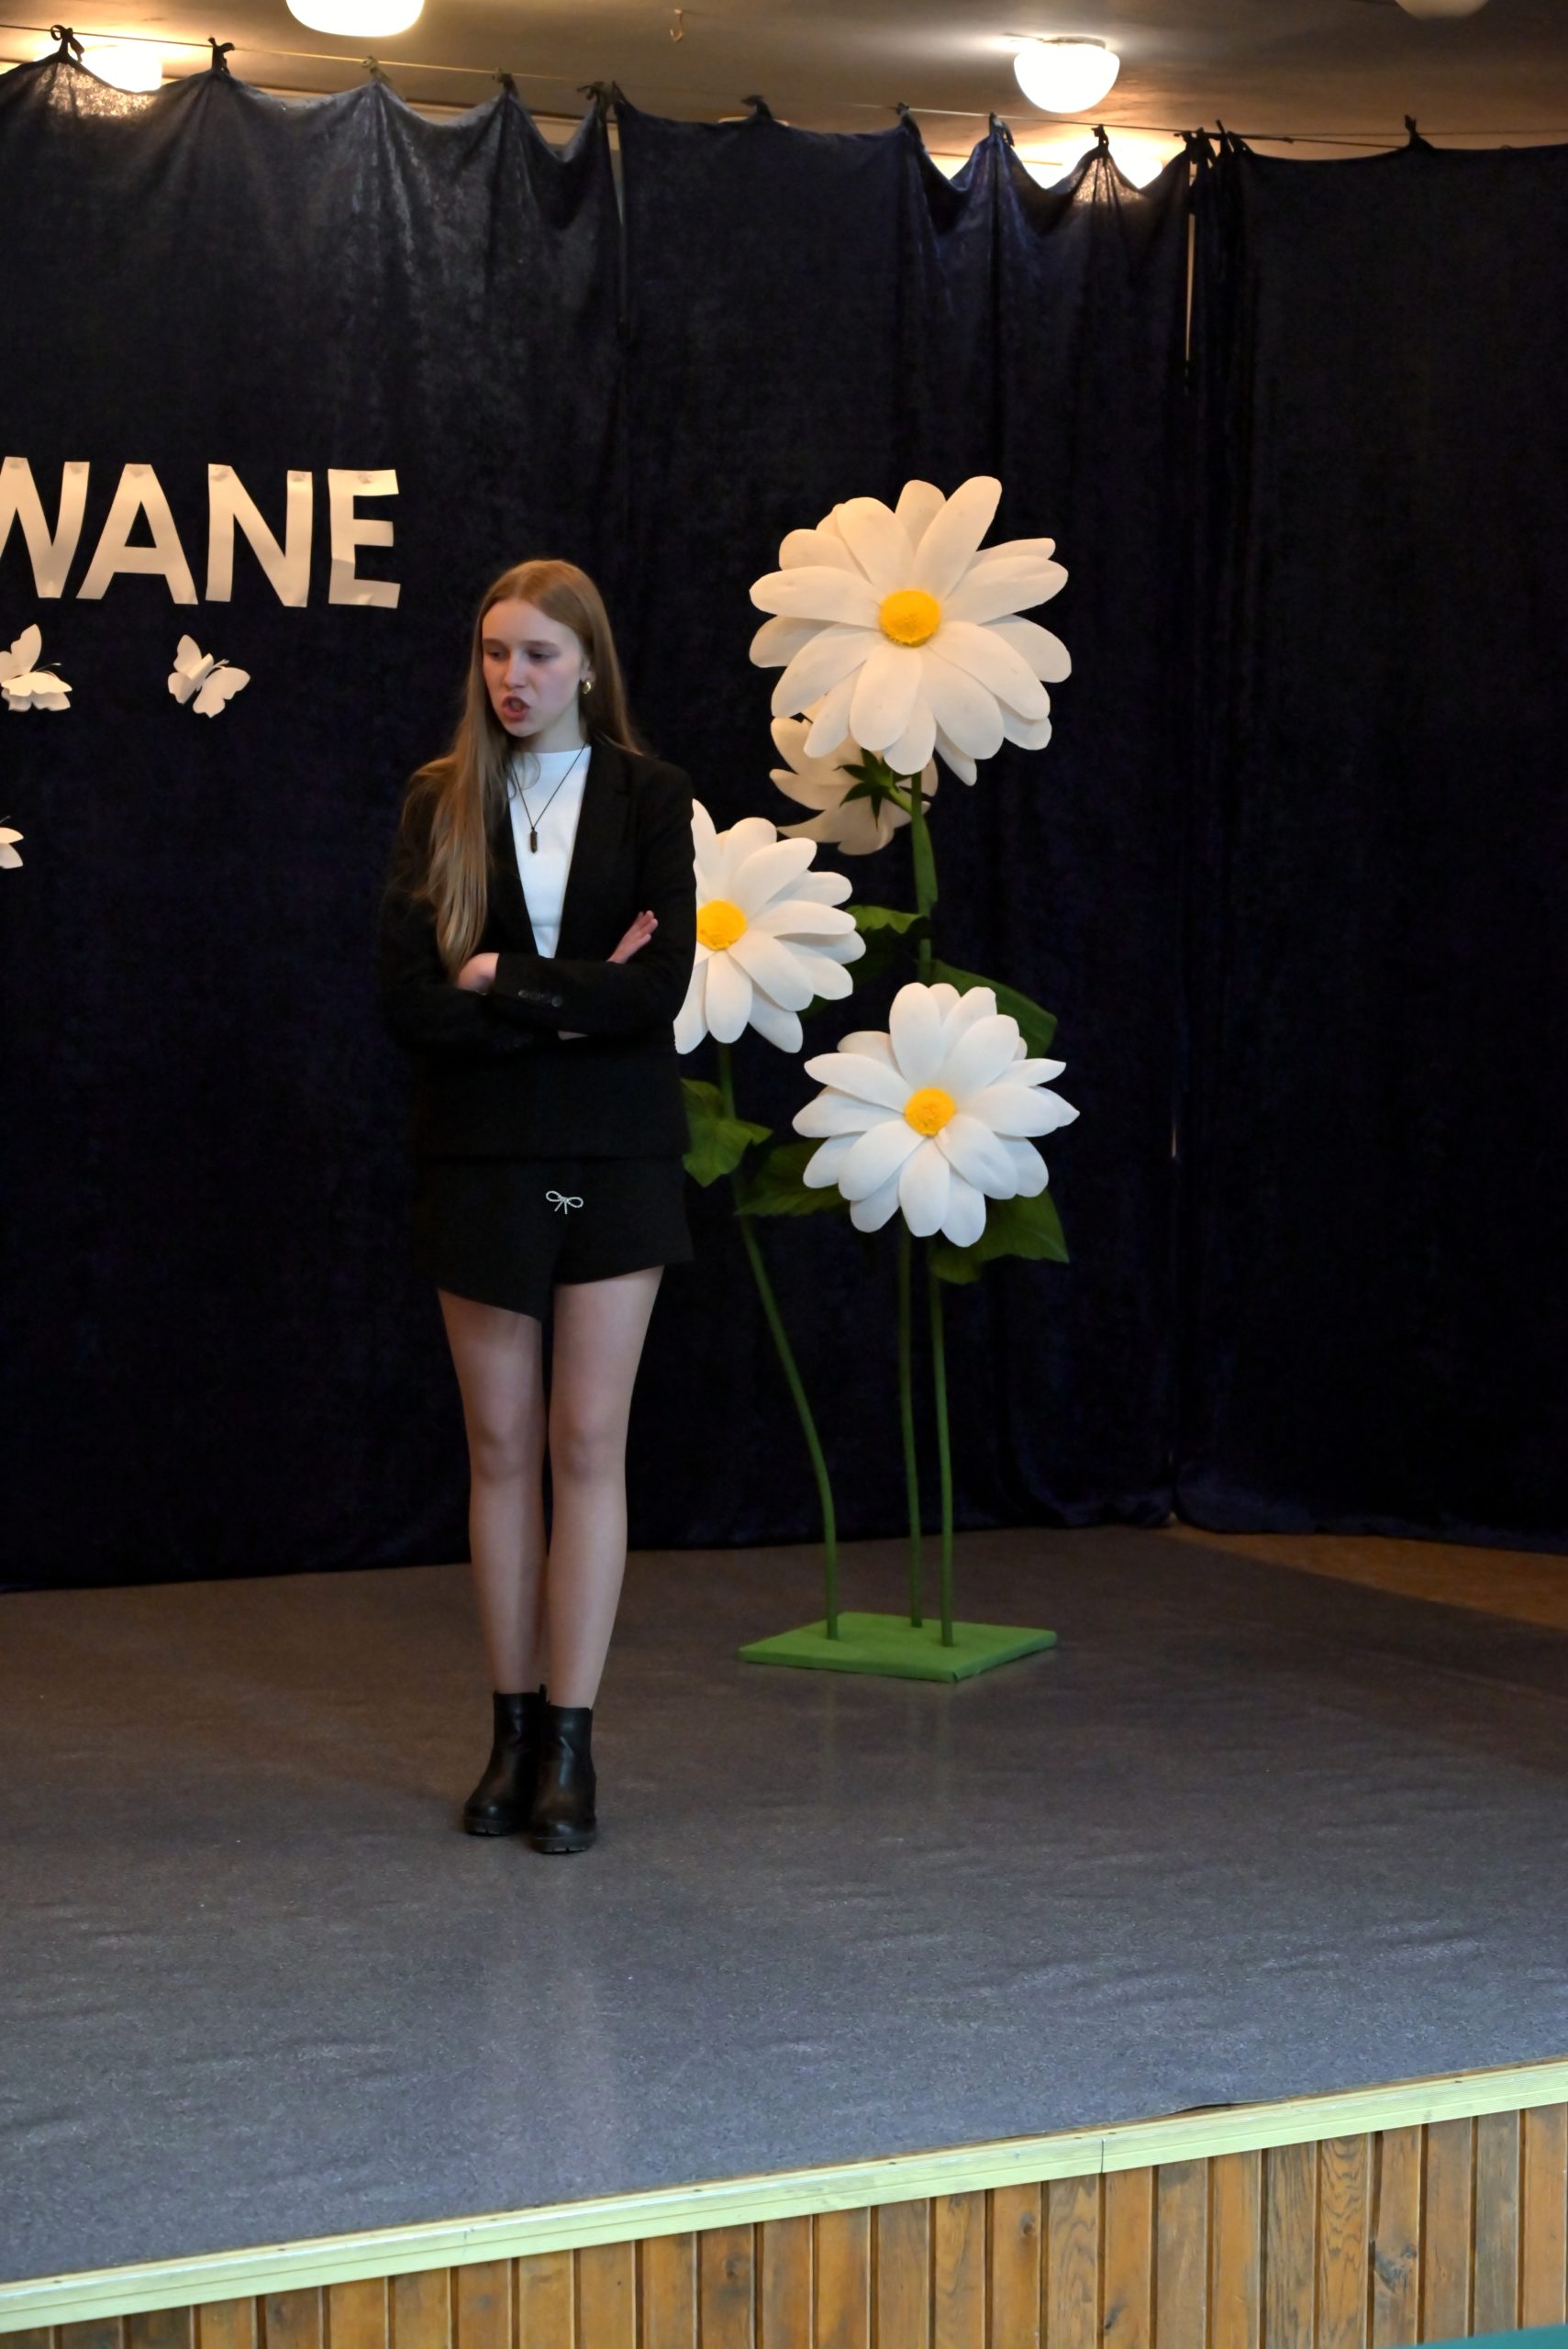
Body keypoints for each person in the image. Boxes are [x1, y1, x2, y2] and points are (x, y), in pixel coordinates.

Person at [378, 559, 696, 1854]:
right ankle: (510, 1735)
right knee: (501, 1448)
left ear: (588, 665)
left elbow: (655, 992)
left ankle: (571, 1743)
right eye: (497, 652)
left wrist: (499, 977)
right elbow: (410, 1004)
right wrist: (569, 997)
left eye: (540, 655)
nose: (514, 678)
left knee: (586, 1441)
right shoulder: (440, 799)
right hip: (481, 1154)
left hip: (617, 1152)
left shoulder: (650, 796)